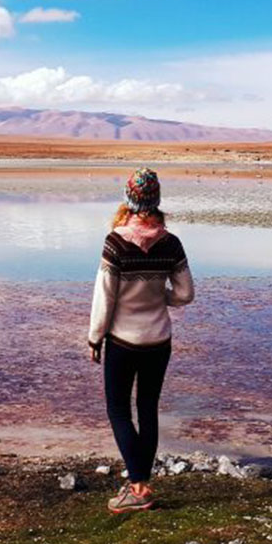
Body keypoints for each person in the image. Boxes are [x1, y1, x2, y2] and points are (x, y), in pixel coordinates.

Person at [88, 167, 194, 513]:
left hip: (123, 341)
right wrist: (158, 296)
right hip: (159, 340)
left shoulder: (115, 243)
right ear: (157, 200)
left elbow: (104, 298)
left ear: (129, 201)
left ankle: (137, 486)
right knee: (147, 408)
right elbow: (185, 293)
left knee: (118, 409)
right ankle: (142, 482)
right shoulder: (171, 243)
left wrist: (94, 338)